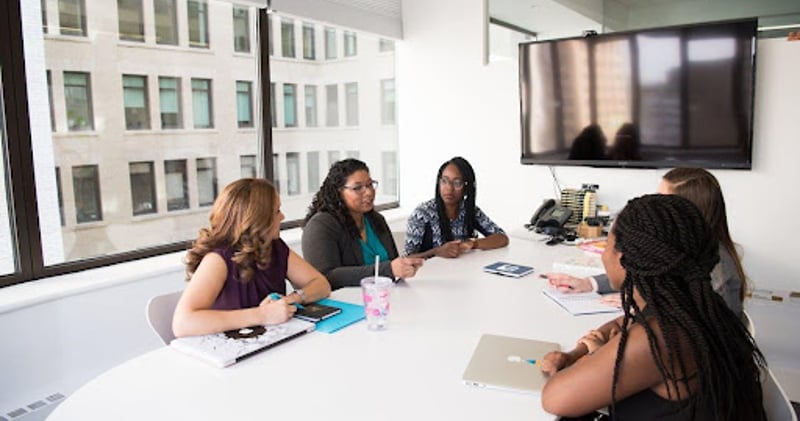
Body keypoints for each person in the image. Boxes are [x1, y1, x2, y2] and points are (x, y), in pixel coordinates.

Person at [540, 194, 766, 420]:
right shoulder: (696, 305)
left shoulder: (659, 338)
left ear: (624, 258)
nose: (604, 256)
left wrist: (595, 354)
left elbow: (554, 399)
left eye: (607, 244)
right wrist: (576, 353)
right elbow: (621, 323)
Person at [543, 167, 745, 316]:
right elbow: (645, 273)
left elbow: (713, 335)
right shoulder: (676, 249)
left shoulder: (720, 274)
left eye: (661, 201)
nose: (652, 207)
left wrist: (647, 308)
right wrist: (589, 283)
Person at [172, 178, 332, 337]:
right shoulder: (218, 259)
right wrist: (262, 315)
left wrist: (293, 299)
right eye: (277, 211)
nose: (282, 217)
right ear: (258, 220)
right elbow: (182, 323)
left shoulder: (274, 246)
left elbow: (321, 284)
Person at [302, 159, 424, 290]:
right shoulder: (321, 225)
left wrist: (403, 268)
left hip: (384, 297)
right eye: (358, 188)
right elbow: (326, 277)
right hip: (345, 304)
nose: (369, 192)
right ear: (338, 192)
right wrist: (387, 270)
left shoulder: (376, 220)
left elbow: (393, 263)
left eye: (370, 185)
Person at [404, 156, 509, 259]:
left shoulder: (469, 210)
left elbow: (502, 238)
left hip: (460, 272)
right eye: (444, 181)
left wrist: (473, 244)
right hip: (427, 275)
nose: (449, 188)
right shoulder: (422, 214)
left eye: (457, 183)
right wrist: (436, 252)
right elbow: (406, 259)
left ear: (466, 187)